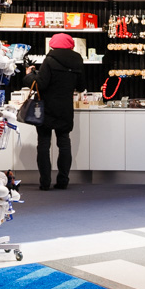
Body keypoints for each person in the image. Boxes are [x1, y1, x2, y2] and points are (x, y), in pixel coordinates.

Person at [28, 33, 86, 190]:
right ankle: (63, 181)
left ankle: (45, 182)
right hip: (65, 108)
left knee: (43, 144)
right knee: (64, 143)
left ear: (52, 44)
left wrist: (30, 76)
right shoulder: (78, 60)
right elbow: (81, 86)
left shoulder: (49, 60)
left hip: (46, 108)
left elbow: (41, 84)